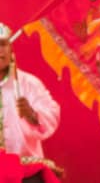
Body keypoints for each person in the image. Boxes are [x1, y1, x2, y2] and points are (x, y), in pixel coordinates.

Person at [0, 25, 62, 182]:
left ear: (11, 49)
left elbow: (52, 113)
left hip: (26, 169)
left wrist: (32, 115)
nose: (0, 50)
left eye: (3, 44)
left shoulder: (29, 83)